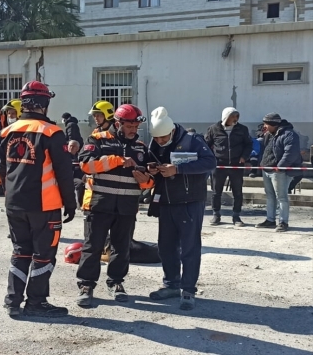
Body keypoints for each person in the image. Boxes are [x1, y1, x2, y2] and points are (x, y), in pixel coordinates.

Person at [0, 81, 76, 318]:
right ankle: (36, 302)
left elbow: (1, 170)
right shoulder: (53, 132)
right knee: (43, 256)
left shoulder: (6, 131)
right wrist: (70, 204)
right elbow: (64, 174)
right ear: (45, 104)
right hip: (45, 206)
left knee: (20, 252)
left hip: (14, 204)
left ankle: (12, 301)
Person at [76, 104, 154, 306]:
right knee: (93, 247)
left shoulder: (141, 148)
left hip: (127, 208)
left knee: (122, 248)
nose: (133, 130)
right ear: (118, 124)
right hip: (99, 204)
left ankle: (116, 282)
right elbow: (86, 165)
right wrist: (117, 160)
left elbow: (151, 181)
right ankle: (86, 285)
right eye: (130, 126)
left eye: (136, 126)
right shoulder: (98, 139)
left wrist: (144, 178)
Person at [146, 106, 216, 311]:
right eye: (157, 138)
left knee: (189, 247)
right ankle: (171, 285)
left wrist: (178, 169)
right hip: (166, 201)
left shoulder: (193, 141)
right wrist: (153, 169)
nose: (160, 141)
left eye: (163, 137)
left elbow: (210, 162)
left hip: (190, 202)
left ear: (172, 131)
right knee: (165, 246)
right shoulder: (154, 143)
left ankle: (188, 290)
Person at [204, 107, 253, 226]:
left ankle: (236, 216)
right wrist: (211, 159)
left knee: (237, 192)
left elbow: (248, 144)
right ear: (226, 117)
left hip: (236, 165)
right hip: (219, 165)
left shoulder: (242, 129)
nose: (235, 119)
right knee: (216, 191)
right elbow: (205, 145)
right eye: (233, 116)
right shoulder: (213, 129)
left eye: (237, 116)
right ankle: (216, 215)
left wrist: (244, 157)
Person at [256, 113, 301, 232]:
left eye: (266, 123)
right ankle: (270, 220)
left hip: (278, 171)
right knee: (270, 196)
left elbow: (290, 152)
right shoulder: (270, 134)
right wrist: (262, 133)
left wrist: (280, 166)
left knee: (281, 197)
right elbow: (265, 147)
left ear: (273, 124)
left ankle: (283, 222)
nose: (264, 125)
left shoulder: (289, 134)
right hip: (267, 169)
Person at [67, 140, 84, 208]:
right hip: (67, 178)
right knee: (79, 183)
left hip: (77, 177)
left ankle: (83, 204)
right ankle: (80, 204)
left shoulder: (80, 157)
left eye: (73, 146)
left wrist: (85, 175)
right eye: (70, 145)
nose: (71, 147)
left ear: (77, 148)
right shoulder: (64, 156)